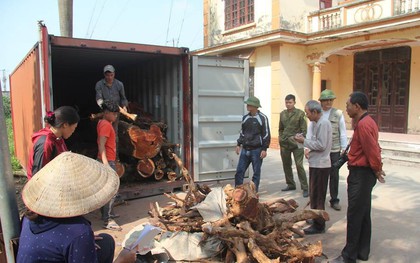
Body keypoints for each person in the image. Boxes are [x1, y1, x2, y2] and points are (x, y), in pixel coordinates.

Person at [17, 152, 138, 263]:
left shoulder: (29, 218)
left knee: (106, 242)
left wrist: (83, 242)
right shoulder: (78, 231)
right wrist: (121, 260)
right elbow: (69, 237)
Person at [329, 91, 386, 263]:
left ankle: (348, 256)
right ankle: (362, 251)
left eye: (348, 106)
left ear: (357, 106)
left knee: (354, 215)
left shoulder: (364, 125)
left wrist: (377, 169)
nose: (346, 109)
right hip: (363, 173)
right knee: (363, 213)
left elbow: (372, 150)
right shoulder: (365, 122)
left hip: (361, 175)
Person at [295, 100, 332, 234]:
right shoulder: (315, 123)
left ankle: (319, 224)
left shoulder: (323, 123)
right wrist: (304, 141)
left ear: (315, 112)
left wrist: (304, 141)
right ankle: (315, 217)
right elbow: (314, 141)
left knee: (319, 196)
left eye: (308, 113)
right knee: (314, 194)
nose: (307, 116)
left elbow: (321, 145)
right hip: (315, 163)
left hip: (321, 165)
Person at [306, 89, 347, 211]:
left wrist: (343, 147)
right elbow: (310, 132)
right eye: (326, 100)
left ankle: (334, 199)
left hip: (333, 148)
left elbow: (342, 132)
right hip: (319, 151)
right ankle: (318, 202)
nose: (328, 102)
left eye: (330, 100)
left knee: (334, 175)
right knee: (319, 180)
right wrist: (307, 147)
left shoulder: (338, 114)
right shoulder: (316, 114)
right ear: (321, 102)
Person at [27, 106, 80, 179]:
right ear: (65, 125)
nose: (74, 131)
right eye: (74, 128)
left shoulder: (58, 138)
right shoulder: (46, 143)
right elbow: (38, 176)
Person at [235, 96, 271, 193]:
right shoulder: (245, 118)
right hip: (245, 149)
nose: (247, 106)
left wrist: (264, 149)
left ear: (255, 106)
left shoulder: (263, 118)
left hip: (257, 150)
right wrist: (239, 144)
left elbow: (266, 134)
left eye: (249, 104)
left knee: (256, 173)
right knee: (239, 172)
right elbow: (242, 132)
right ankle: (237, 193)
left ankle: (253, 194)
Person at [97, 100, 123, 231]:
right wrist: (106, 163)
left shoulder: (104, 123)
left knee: (106, 190)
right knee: (112, 190)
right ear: (106, 113)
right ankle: (108, 220)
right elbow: (101, 145)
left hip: (108, 160)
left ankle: (107, 214)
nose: (116, 116)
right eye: (114, 114)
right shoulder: (106, 125)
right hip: (107, 161)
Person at [279, 94, 309, 197]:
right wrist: (280, 137)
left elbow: (304, 130)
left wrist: (297, 138)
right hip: (284, 143)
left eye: (290, 102)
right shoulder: (282, 114)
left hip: (297, 143)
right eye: (286, 102)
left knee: (299, 165)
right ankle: (290, 184)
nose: (288, 104)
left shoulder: (300, 114)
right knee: (286, 165)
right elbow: (281, 128)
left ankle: (305, 188)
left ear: (294, 102)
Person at [95, 64, 129, 157]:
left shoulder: (119, 84)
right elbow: (99, 99)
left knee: (114, 133)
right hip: (106, 112)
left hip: (115, 113)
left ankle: (114, 156)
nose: (109, 77)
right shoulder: (99, 84)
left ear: (114, 74)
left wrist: (124, 106)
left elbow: (123, 98)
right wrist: (104, 106)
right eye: (107, 75)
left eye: (111, 75)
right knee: (103, 134)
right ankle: (102, 155)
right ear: (104, 75)